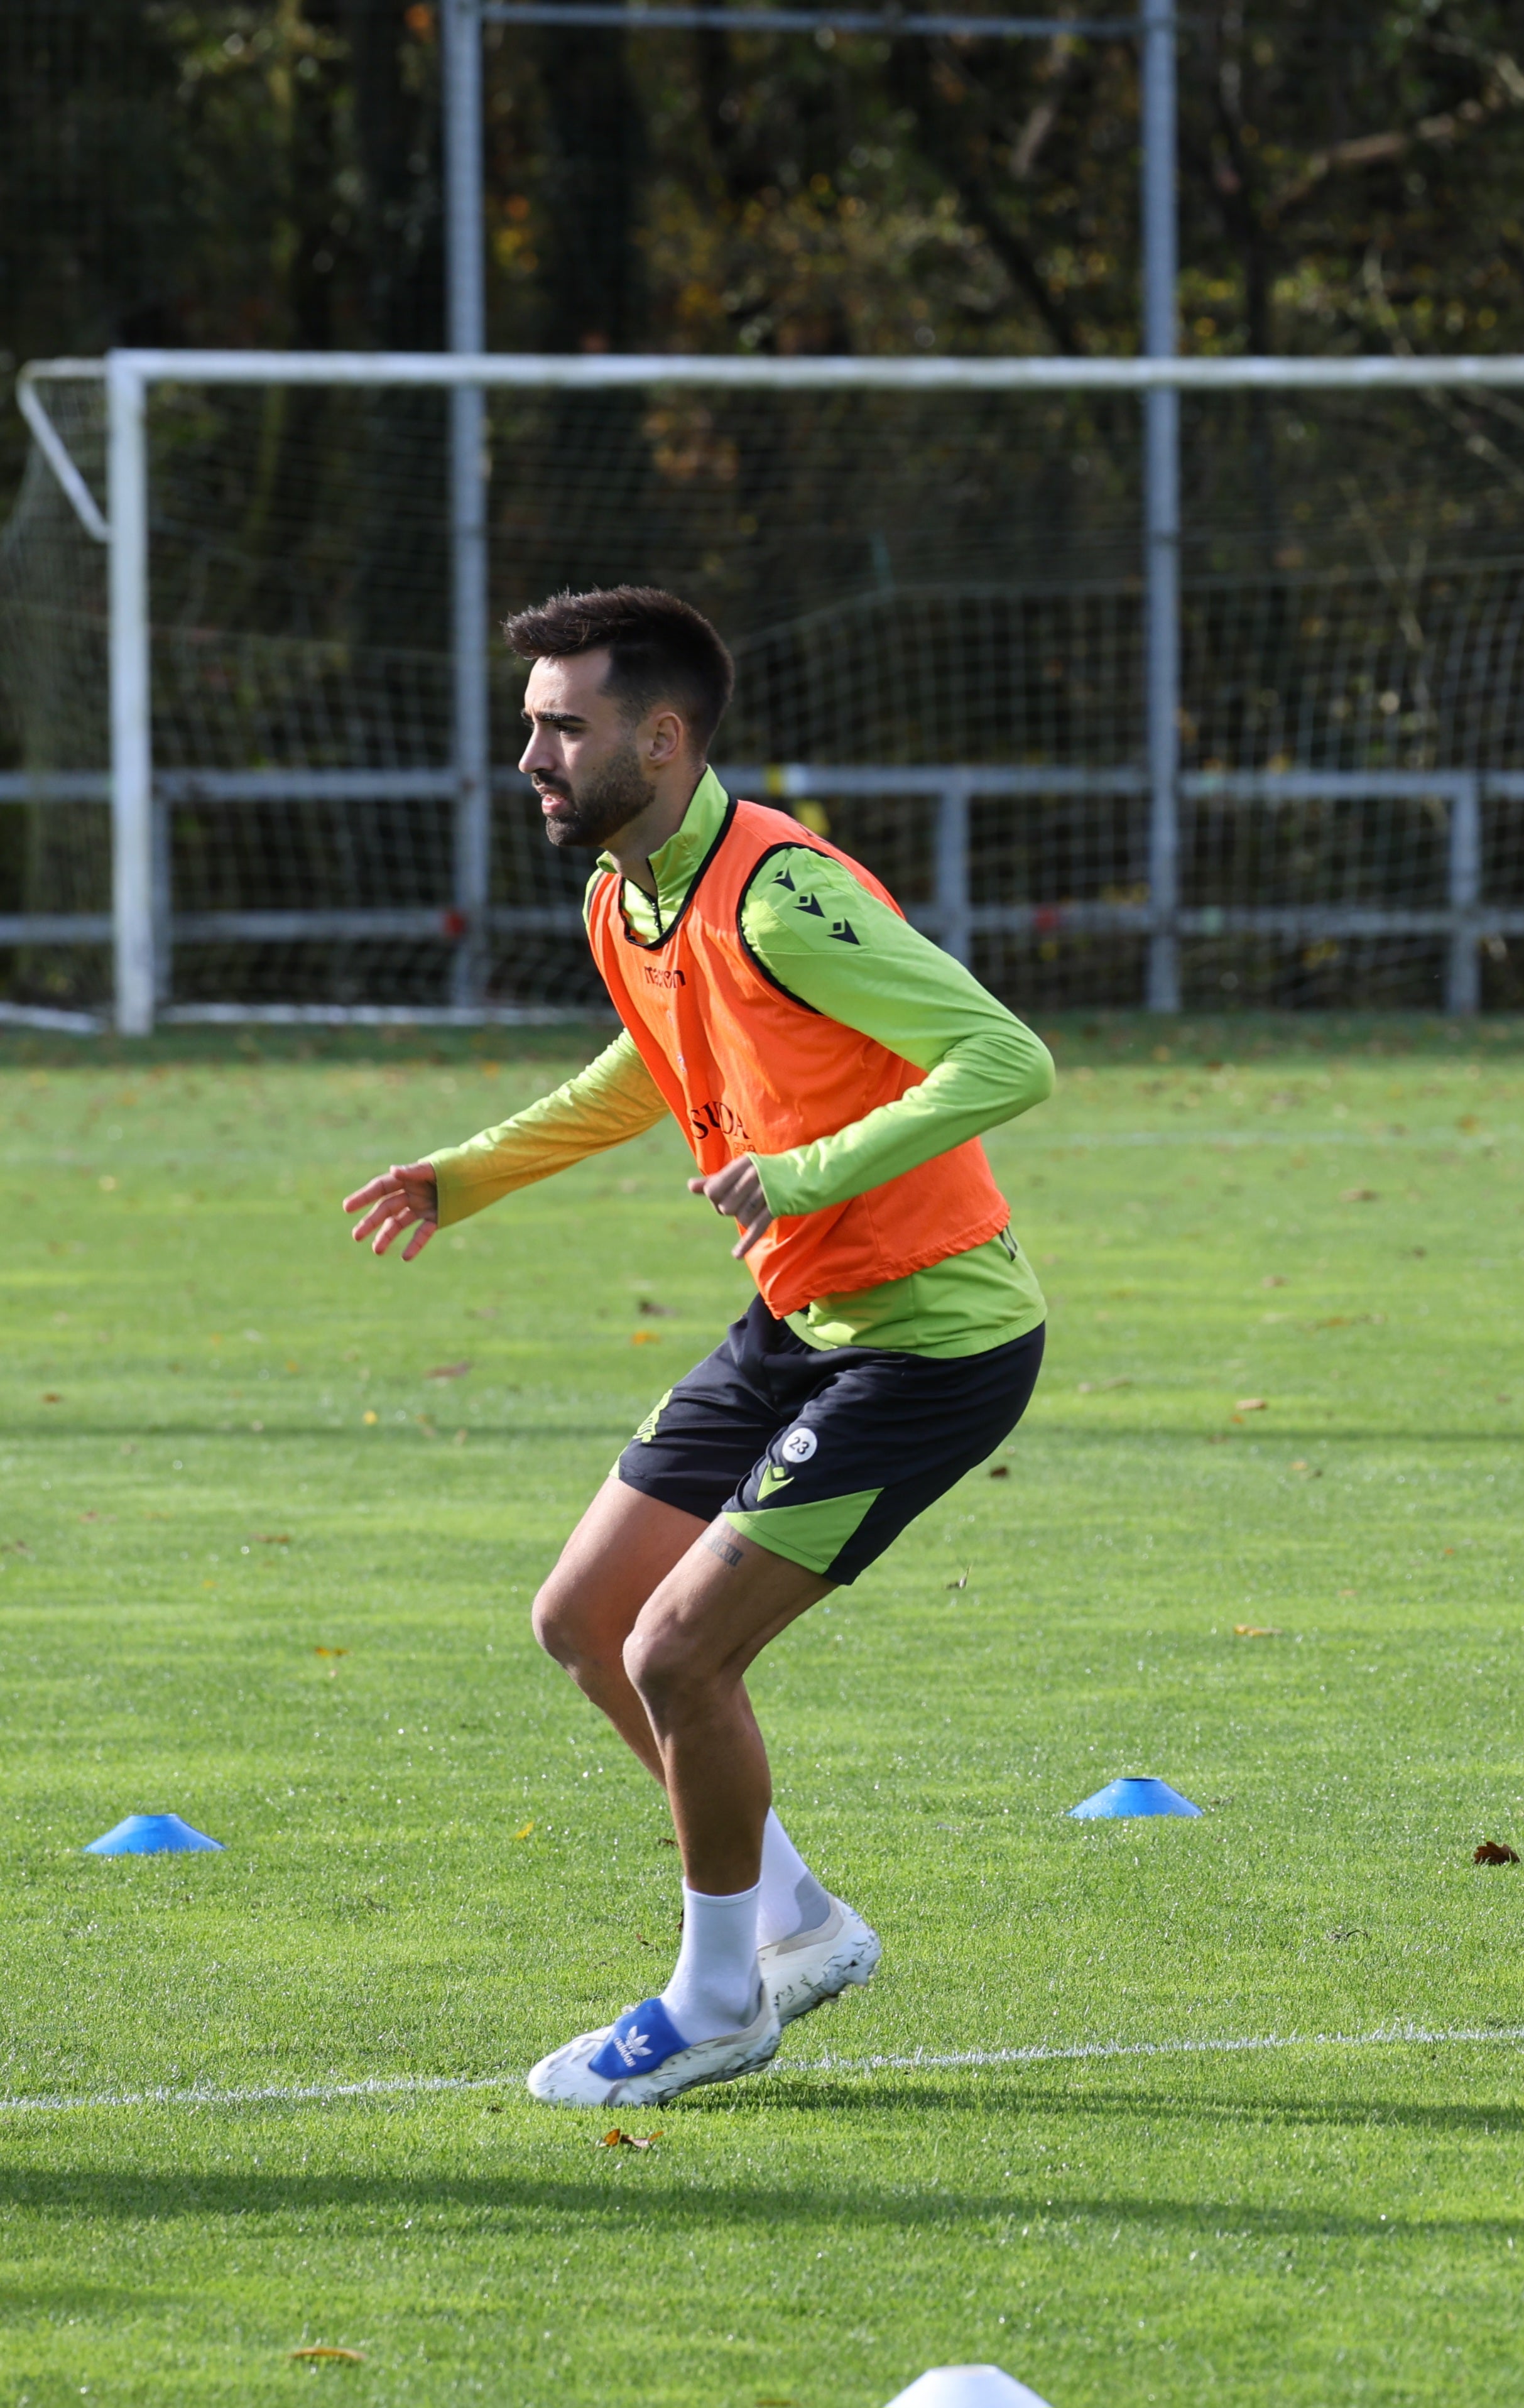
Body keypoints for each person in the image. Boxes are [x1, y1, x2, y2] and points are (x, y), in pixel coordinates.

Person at [341, 587, 1057, 2103]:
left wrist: (804, 1174)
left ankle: (719, 1998)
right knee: (586, 1619)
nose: (530, 754)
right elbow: (646, 1074)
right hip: (798, 1321)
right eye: (532, 722)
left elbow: (1006, 1053)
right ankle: (795, 1919)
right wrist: (464, 1176)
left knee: (676, 1647)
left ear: (660, 739)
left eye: (562, 725)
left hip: (933, 1341)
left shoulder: (783, 891)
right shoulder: (625, 892)